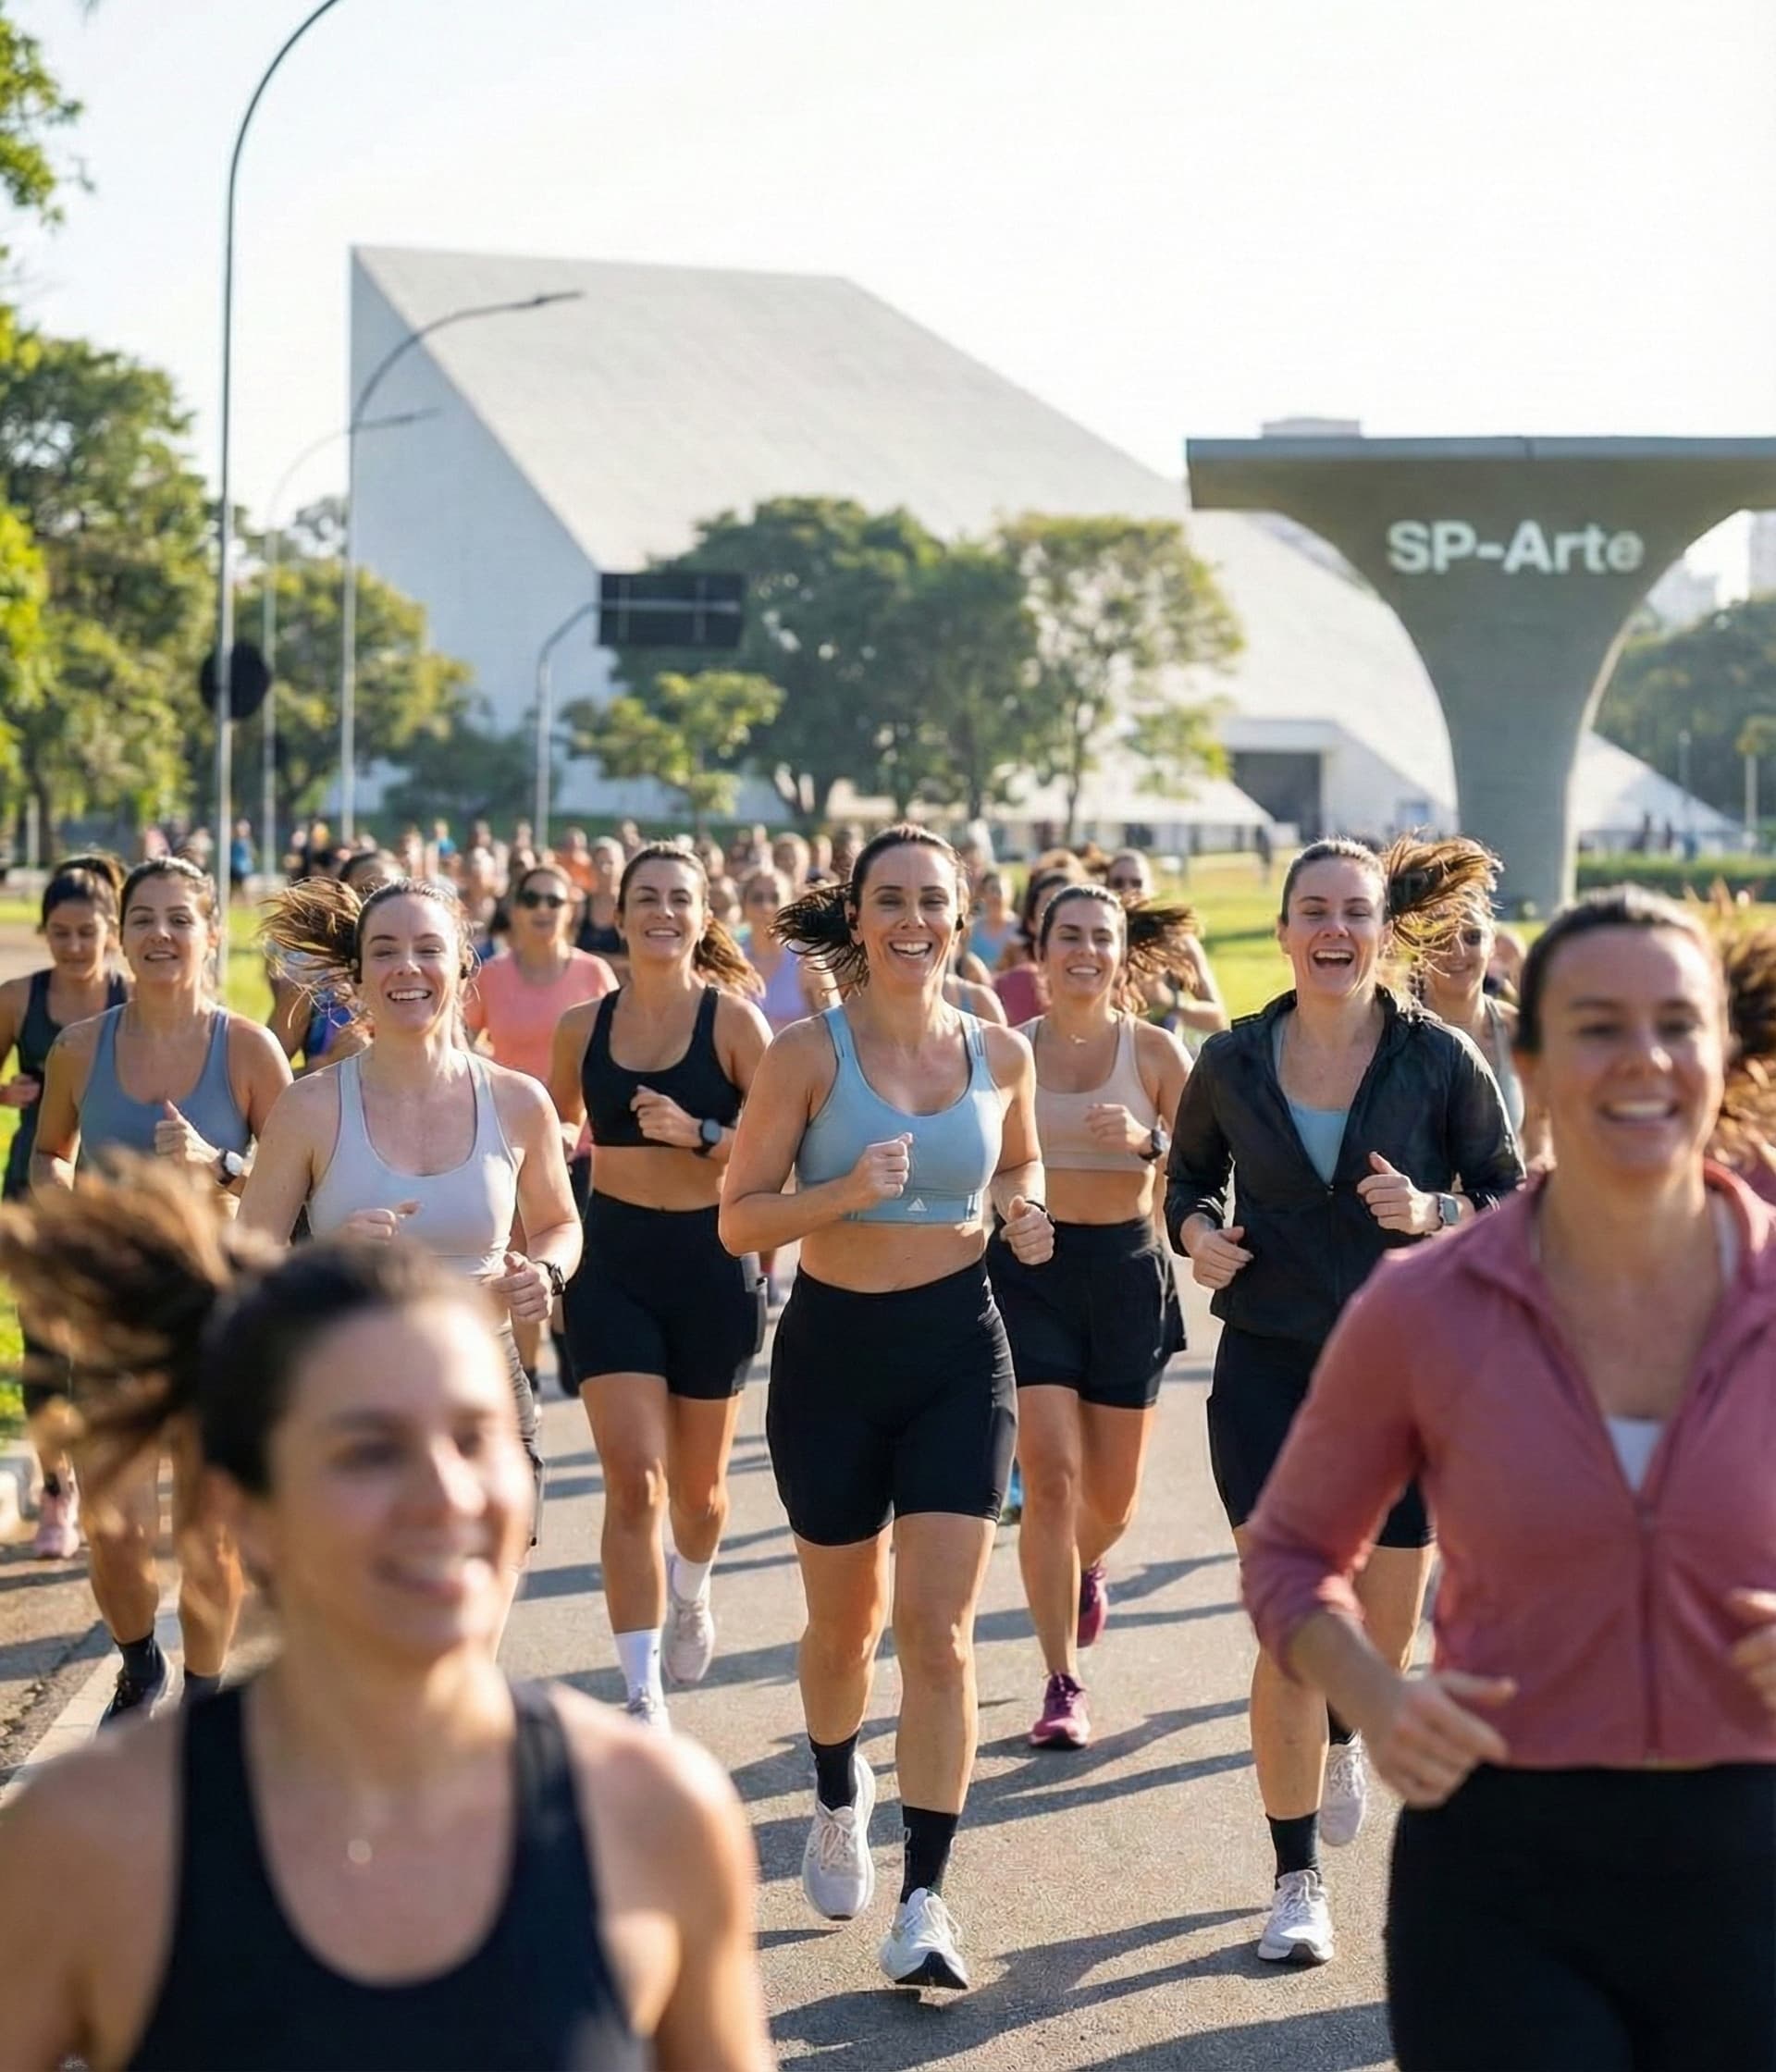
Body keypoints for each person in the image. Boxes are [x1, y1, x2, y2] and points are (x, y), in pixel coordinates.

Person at [0, 1160, 772, 2072]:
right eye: (370, 1449)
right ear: (242, 1506)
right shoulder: (87, 1840)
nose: (446, 1494)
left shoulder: (657, 1814)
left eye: (474, 1436)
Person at [1243, 887, 1776, 2069]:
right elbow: (1289, 1552)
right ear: (1525, 1055)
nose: (1643, 1057)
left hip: (1752, 1856)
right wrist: (1375, 1699)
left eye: (1676, 1024)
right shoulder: (1430, 1304)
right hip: (1502, 1876)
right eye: (1596, 1024)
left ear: (1721, 1052)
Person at [1166, 835, 1523, 1967]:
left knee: (1378, 1632)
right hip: (1270, 1373)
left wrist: (1430, 1213)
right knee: (1289, 1629)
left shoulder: (1443, 1060)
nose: (1334, 928)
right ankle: (1294, 1878)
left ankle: (1343, 1729)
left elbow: (1509, 1205)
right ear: (1281, 930)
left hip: (1407, 1376)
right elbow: (1186, 1177)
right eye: (1312, 909)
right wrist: (1197, 1236)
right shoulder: (1229, 1058)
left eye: (1354, 911)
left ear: (1383, 929)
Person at [721, 823, 1054, 1992]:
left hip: (963, 1351)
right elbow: (740, 1218)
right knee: (840, 1630)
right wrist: (843, 1191)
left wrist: (1025, 1209)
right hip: (832, 1358)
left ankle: (926, 1900)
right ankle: (832, 1788)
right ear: (857, 920)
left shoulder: (1001, 1050)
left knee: (943, 1634)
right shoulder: (806, 1054)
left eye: (934, 900)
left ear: (961, 918)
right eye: (892, 900)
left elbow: (1018, 1164)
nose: (914, 918)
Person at [241, 874, 579, 1626]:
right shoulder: (311, 1107)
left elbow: (560, 1221)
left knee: (474, 1627)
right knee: (365, 1637)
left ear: (463, 967)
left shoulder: (519, 1101)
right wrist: (324, 1261)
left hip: (486, 1386)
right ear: (358, 974)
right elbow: (246, 1258)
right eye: (384, 951)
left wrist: (546, 1272)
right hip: (349, 1396)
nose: (406, 968)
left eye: (428, 949)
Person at [30, 857, 292, 1719]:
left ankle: (207, 1700)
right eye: (143, 918)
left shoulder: (247, 1050)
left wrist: (221, 1165)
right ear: (121, 934)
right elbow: (50, 1152)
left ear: (211, 934)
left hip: (221, 1318)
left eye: (180, 919)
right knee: (117, 1529)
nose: (160, 935)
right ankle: (141, 1666)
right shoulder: (78, 1050)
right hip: (115, 1324)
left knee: (209, 1536)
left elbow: (304, 1179)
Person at [548, 845, 772, 1728]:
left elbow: (782, 1145)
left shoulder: (734, 1025)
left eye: (679, 899)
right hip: (614, 1267)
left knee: (699, 1493)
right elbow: (550, 1131)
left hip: (711, 1264)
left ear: (703, 913)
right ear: (619, 908)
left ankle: (692, 1587)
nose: (662, 913)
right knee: (633, 1481)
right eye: (646, 898)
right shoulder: (582, 1027)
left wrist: (701, 1131)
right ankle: (640, 1692)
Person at [991, 883, 1191, 1750]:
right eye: (1068, 936)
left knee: (1108, 1501)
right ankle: (1061, 1680)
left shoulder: (1154, 1053)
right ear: (1041, 951)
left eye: (1100, 938)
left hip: (1125, 1275)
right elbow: (986, 1164)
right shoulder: (1006, 1054)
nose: (1085, 950)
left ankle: (1086, 1560)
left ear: (1121, 952)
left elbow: (1214, 1168)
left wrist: (1148, 1145)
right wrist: (1012, 1207)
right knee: (1053, 1474)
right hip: (1029, 1271)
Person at [0, 855, 129, 1559]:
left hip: (114, 1190)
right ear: (44, 932)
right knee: (46, 1342)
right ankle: (57, 1490)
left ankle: (110, 1473)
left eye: (86, 932)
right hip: (36, 1185)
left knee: (108, 1343)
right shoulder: (20, 999)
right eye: (60, 933)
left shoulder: (131, 996)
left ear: (110, 931)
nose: (74, 947)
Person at [463, 861, 618, 1385]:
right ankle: (525, 1370)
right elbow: (459, 1045)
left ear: (571, 909)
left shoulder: (592, 974)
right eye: (533, 899)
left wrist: (583, 1121)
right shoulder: (493, 975)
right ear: (514, 907)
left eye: (555, 900)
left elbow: (614, 1056)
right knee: (516, 1256)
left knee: (567, 1251)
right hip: (508, 1140)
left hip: (581, 1141)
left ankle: (563, 1337)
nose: (544, 910)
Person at [1415, 895, 1548, 1165]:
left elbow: (1538, 1142)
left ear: (1491, 947)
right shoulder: (1390, 1032)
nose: (1458, 951)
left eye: (1473, 937)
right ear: (1419, 947)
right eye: (1441, 938)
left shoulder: (1515, 1029)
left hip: (1502, 1205)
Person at [1104, 848, 1230, 1042]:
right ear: (1105, 888)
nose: (1127, 889)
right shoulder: (1095, 942)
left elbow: (1218, 1019)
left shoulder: (1177, 943)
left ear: (1151, 889)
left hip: (1162, 1060)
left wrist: (1170, 1002)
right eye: (1118, 883)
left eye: (1137, 883)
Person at [966, 870, 1018, 971]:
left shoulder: (1019, 928)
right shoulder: (972, 929)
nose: (995, 896)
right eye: (991, 890)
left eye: (999, 891)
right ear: (983, 895)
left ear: (1010, 893)